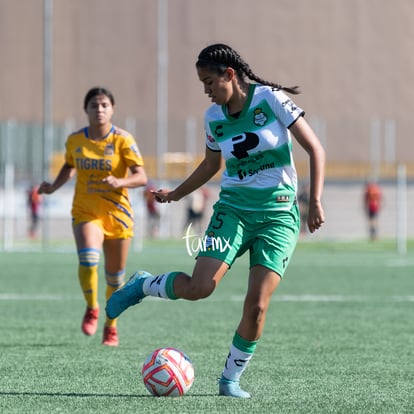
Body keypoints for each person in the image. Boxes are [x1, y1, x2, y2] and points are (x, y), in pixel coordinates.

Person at [106, 43, 325, 396]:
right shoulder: (214, 118)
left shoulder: (269, 100)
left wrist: (314, 201)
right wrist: (175, 194)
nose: (206, 91)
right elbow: (211, 166)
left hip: (279, 217)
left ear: (230, 75)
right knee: (200, 287)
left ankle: (229, 380)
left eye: (210, 82)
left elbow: (316, 148)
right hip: (233, 211)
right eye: (202, 85)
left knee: (256, 306)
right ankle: (143, 285)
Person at [38, 86, 148, 346]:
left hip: (117, 214)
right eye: (94, 105)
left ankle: (111, 326)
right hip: (86, 211)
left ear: (112, 109)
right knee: (88, 259)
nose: (99, 109)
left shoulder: (123, 139)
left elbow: (141, 176)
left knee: (115, 277)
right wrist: (53, 187)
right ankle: (92, 306)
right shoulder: (75, 140)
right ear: (85, 109)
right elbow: (69, 166)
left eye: (104, 105)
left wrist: (120, 181)